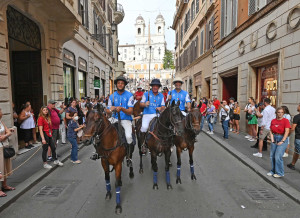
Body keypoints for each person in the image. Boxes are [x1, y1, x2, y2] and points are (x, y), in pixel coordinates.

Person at [106, 76, 134, 167]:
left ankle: (129, 157)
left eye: (122, 83)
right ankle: (98, 152)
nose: (120, 85)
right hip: (114, 118)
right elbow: (107, 111)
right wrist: (111, 109)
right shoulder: (112, 96)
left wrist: (122, 109)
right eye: (118, 83)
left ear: (124, 85)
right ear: (116, 85)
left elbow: (130, 111)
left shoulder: (129, 95)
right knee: (102, 131)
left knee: (129, 137)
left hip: (125, 119)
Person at [140, 79, 165, 150]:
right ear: (152, 86)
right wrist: (145, 104)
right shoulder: (146, 94)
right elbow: (141, 104)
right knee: (144, 128)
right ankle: (143, 144)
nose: (155, 87)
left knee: (164, 127)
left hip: (157, 115)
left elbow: (163, 106)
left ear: (159, 87)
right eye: (154, 86)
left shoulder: (161, 95)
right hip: (147, 114)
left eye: (156, 86)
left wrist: (160, 108)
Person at [267, 107, 290, 178]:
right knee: (272, 156)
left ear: (283, 113)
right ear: (276, 113)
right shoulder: (273, 121)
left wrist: (282, 140)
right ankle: (273, 170)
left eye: (281, 112)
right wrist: (272, 139)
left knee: (278, 156)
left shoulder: (285, 121)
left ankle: (280, 172)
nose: (280, 114)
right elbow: (271, 130)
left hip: (282, 138)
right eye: (278, 112)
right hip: (275, 138)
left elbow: (287, 131)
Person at [0, 108, 15, 197]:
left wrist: (4, 136)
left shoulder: (1, 122)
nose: (1, 112)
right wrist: (6, 134)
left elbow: (8, 132)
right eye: (0, 110)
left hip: (4, 146)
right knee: (0, 168)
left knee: (5, 166)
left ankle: (4, 185)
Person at [287, 103, 300, 170]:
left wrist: (287, 135)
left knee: (298, 151)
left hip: (298, 138)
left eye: (298, 106)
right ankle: (292, 164)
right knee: (296, 151)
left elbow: (292, 128)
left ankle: (292, 164)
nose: (297, 107)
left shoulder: (297, 117)